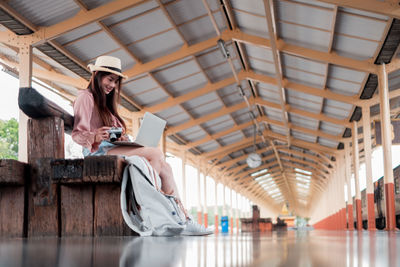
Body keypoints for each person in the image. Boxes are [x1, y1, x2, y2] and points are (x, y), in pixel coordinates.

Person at [72, 55, 212, 236]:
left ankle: (184, 218)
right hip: (99, 152)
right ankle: (150, 208)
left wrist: (123, 138)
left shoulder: (106, 106)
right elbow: (77, 134)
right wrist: (95, 135)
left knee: (166, 168)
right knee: (155, 154)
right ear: (97, 75)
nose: (112, 86)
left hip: (113, 148)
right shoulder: (85, 97)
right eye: (110, 79)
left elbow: (115, 134)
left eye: (115, 82)